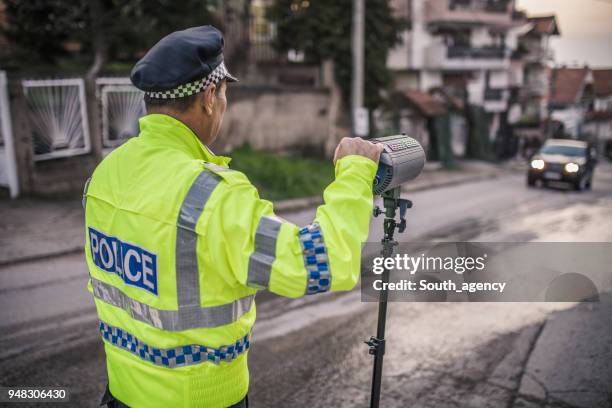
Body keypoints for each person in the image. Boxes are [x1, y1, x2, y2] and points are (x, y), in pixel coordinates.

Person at [84, 25, 383, 408]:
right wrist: (356, 174)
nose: (223, 104)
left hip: (120, 393)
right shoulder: (211, 195)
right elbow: (322, 262)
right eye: (224, 93)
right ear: (209, 97)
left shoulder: (105, 173)